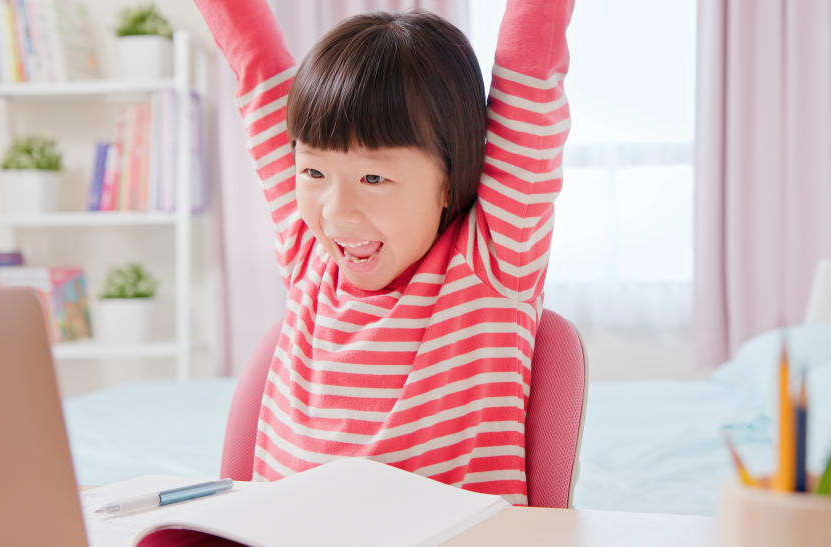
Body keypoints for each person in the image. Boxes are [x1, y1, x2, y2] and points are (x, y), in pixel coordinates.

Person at [195, 0, 572, 505]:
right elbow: (255, 61)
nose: (336, 213)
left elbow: (532, 63)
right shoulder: (312, 252)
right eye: (312, 173)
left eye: (374, 178)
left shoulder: (491, 262)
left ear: (447, 179)